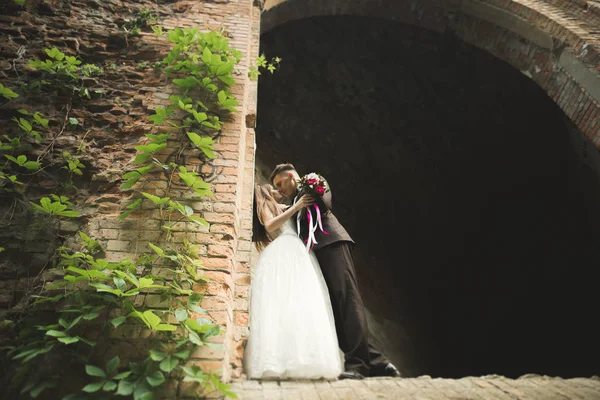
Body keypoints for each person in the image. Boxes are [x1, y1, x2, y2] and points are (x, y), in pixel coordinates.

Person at [270, 163, 401, 380]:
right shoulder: (292, 202)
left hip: (332, 245)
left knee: (347, 302)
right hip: (315, 256)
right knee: (333, 312)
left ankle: (358, 366)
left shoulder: (312, 184)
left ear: (292, 176)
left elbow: (324, 203)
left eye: (280, 183)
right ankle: (378, 362)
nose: (279, 189)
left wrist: (308, 188)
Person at [244, 184, 343, 380]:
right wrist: (296, 207)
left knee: (299, 301)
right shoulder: (265, 204)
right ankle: (276, 361)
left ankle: (302, 357)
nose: (277, 190)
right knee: (282, 302)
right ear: (264, 191)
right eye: (273, 187)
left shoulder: (279, 206)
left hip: (295, 248)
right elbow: (270, 225)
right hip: (283, 250)